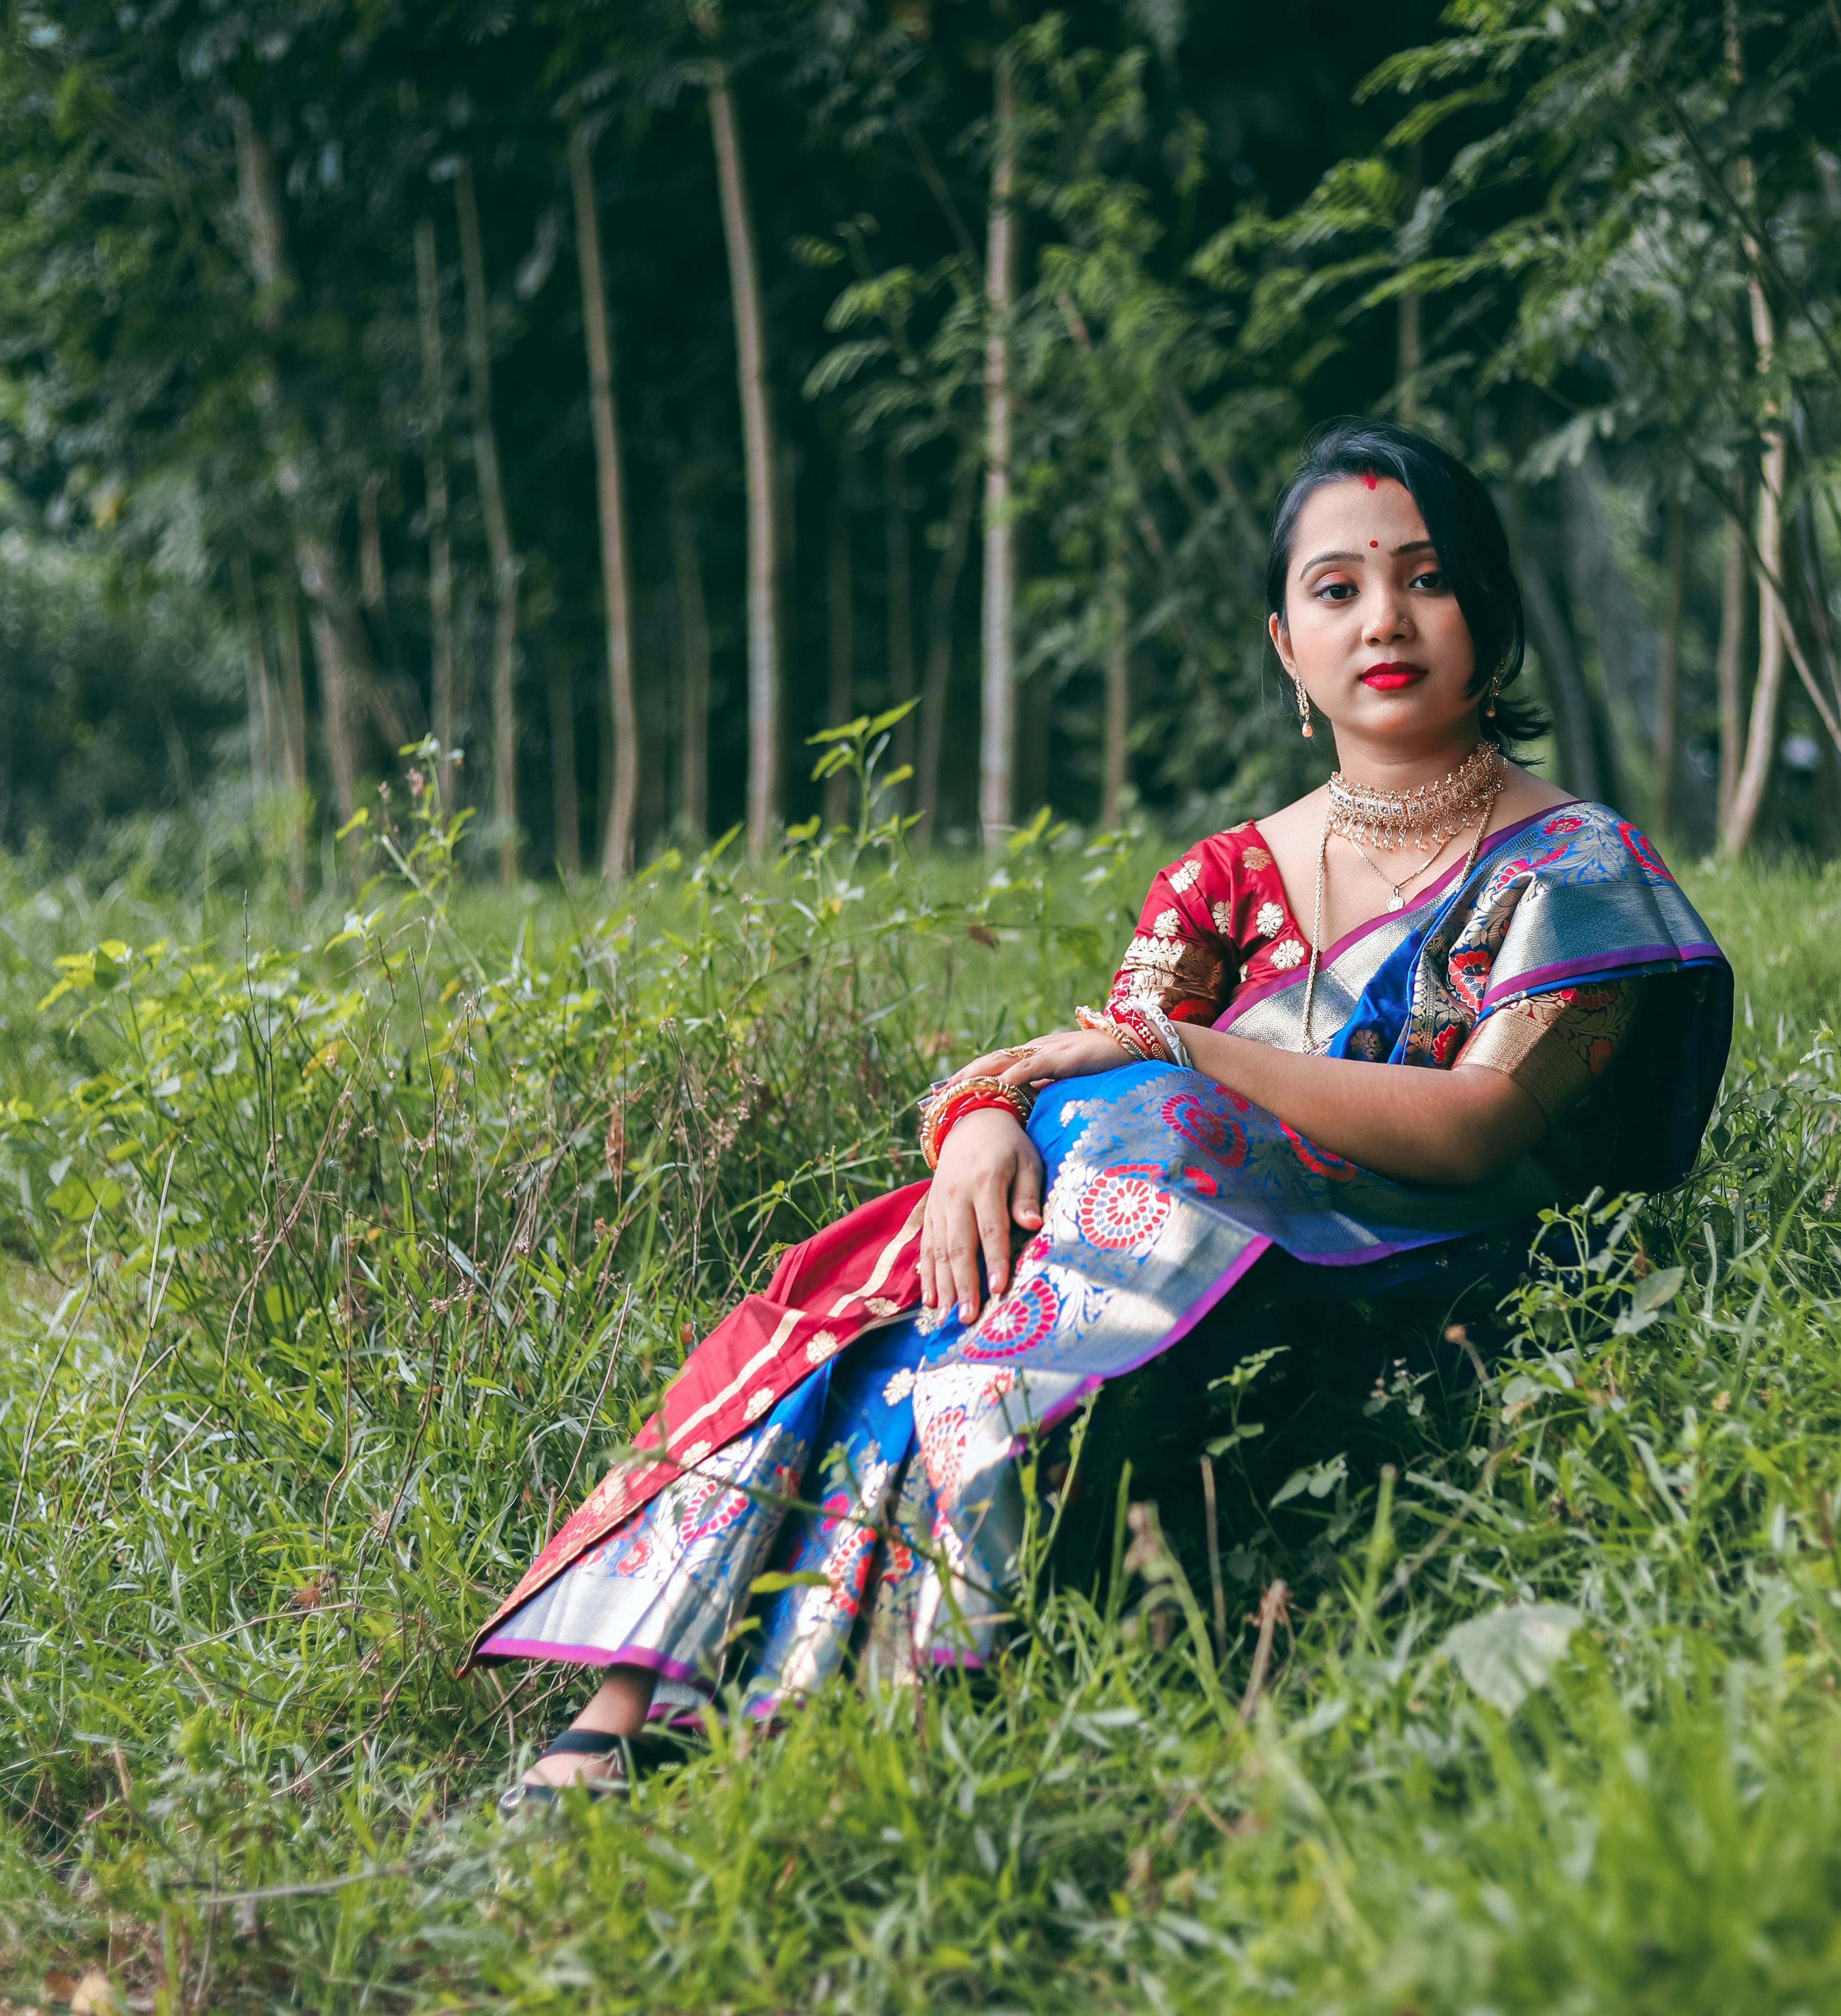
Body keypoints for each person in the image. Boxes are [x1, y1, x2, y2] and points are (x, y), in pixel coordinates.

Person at [474, 418, 1731, 1805]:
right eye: (1337, 589)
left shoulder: (1576, 862)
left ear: (1491, 615)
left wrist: (1191, 1059)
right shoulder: (1228, 873)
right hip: (1150, 1235)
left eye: (1427, 579)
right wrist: (982, 1130)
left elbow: (1477, 1129)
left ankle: (862, 1674)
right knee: (888, 1279)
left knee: (1139, 1151)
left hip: (1405, 1256)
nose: (1384, 619)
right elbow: (1089, 1057)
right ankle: (638, 1691)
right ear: (1285, 650)